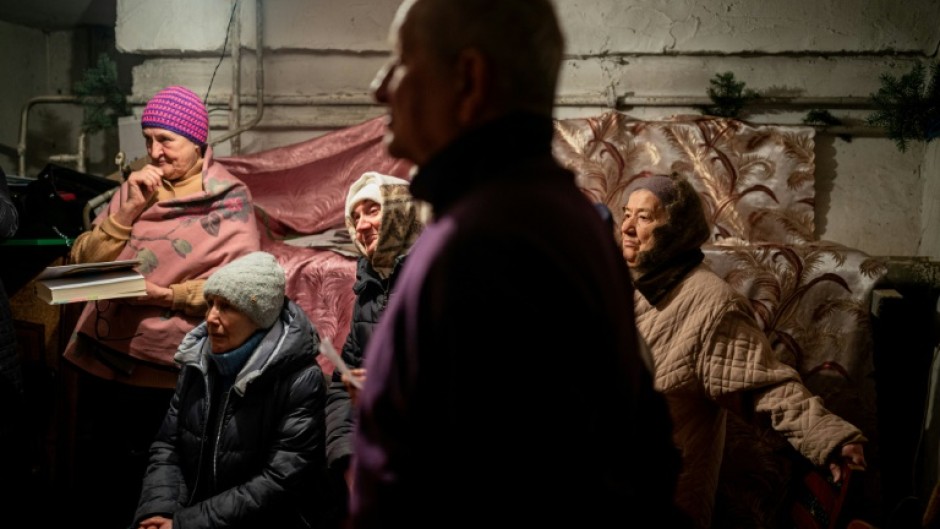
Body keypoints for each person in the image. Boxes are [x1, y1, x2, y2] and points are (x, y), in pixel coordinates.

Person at [348, 1, 689, 527]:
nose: (379, 86)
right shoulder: (539, 211)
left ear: (469, 78)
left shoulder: (486, 242)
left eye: (401, 60)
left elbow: (489, 494)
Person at [60, 85, 261, 527]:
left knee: (166, 492)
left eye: (166, 140)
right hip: (108, 363)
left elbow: (244, 287)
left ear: (197, 142)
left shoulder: (228, 199)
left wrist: (166, 296)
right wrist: (125, 212)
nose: (154, 152)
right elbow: (80, 265)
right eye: (148, 139)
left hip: (176, 376)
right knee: (108, 487)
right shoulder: (134, 190)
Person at [619, 172, 868, 529]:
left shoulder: (711, 304)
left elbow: (765, 386)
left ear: (676, 230)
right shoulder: (619, 282)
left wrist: (830, 438)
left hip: (662, 500)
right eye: (626, 213)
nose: (627, 226)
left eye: (644, 217)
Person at [132, 251, 332, 529]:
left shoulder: (300, 379)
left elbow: (279, 480)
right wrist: (160, 511)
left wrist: (184, 524)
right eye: (211, 303)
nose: (211, 317)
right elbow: (168, 444)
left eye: (226, 307)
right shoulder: (197, 362)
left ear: (258, 317)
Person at [323, 171, 427, 521]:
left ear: (401, 212)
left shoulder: (435, 278)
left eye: (372, 210)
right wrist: (347, 457)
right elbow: (343, 384)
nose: (362, 224)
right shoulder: (368, 291)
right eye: (355, 216)